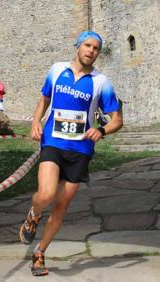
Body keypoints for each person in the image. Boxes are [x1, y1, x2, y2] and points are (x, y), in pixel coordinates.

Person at [19, 31, 123, 276]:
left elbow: (117, 120)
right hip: (54, 142)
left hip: (80, 149)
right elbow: (44, 99)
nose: (91, 51)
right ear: (78, 46)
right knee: (45, 195)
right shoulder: (57, 70)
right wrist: (36, 122)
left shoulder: (101, 82)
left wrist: (102, 131)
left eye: (96, 48)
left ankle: (40, 253)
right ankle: (33, 215)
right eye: (87, 45)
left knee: (61, 205)